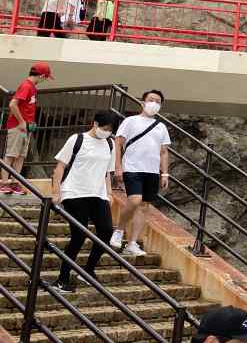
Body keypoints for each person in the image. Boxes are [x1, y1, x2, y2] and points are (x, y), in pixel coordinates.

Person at [50, 109, 123, 293]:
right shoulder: (77, 139)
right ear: (95, 123)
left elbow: (107, 172)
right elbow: (60, 167)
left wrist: (109, 193)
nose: (107, 131)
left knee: (106, 231)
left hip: (97, 193)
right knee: (79, 235)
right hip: (73, 191)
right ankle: (62, 279)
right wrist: (56, 192)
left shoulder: (110, 143)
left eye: (111, 129)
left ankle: (88, 270)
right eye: (105, 127)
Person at [111, 89, 171, 258]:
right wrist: (117, 167)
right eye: (151, 99)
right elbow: (118, 143)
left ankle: (133, 243)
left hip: (152, 171)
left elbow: (164, 151)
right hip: (132, 167)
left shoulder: (161, 126)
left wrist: (165, 173)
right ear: (143, 102)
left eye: (158, 101)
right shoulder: (131, 121)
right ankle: (119, 230)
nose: (154, 103)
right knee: (134, 200)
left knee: (144, 206)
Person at [1, 62, 54, 195]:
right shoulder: (26, 86)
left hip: (25, 128)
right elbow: (13, 104)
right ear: (41, 75)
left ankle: (14, 183)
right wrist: (21, 122)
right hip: (18, 127)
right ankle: (4, 183)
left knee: (20, 156)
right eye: (46, 77)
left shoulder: (31, 87)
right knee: (11, 154)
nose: (45, 80)